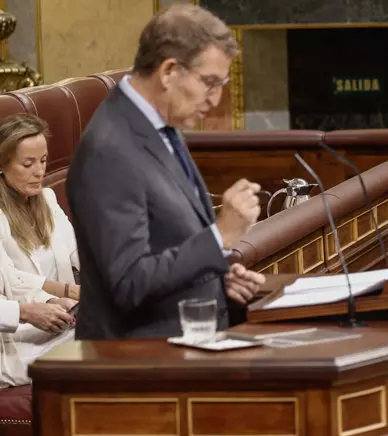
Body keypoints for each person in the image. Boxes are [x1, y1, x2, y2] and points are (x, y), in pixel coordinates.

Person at [69, 4, 265, 341]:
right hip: (138, 370)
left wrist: (219, 275)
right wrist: (221, 236)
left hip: (183, 350)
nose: (215, 100)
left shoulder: (160, 126)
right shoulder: (110, 149)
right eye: (209, 83)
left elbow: (171, 241)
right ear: (169, 71)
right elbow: (130, 282)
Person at [0, 114, 78, 386]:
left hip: (58, 322)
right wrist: (34, 309)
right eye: (28, 164)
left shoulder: (47, 197)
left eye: (43, 161)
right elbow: (15, 283)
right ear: (2, 165)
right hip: (14, 343)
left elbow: (77, 251)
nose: (39, 172)